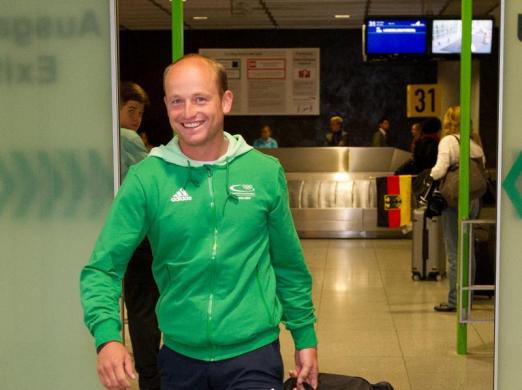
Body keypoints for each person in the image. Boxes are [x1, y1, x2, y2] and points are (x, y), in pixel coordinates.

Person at [80, 54, 318, 390]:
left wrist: (304, 336)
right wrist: (108, 337)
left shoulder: (263, 172)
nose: (188, 113)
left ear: (226, 101)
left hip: (254, 355)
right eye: (177, 101)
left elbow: (288, 264)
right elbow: (102, 267)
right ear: (166, 105)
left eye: (200, 99)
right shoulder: (148, 178)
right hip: (179, 358)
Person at [119, 81, 161, 390]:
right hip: (143, 236)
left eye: (140, 112)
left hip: (122, 234)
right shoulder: (127, 138)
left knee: (138, 306)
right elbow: (151, 177)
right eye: (131, 110)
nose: (136, 119)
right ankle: (153, 376)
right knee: (147, 307)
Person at [430, 106, 485, 312]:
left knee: (454, 250)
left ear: (449, 121)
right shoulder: (475, 143)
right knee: (469, 250)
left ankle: (455, 301)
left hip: (455, 200)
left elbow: (440, 169)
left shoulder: (449, 141)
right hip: (475, 199)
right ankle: (467, 298)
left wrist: (429, 176)